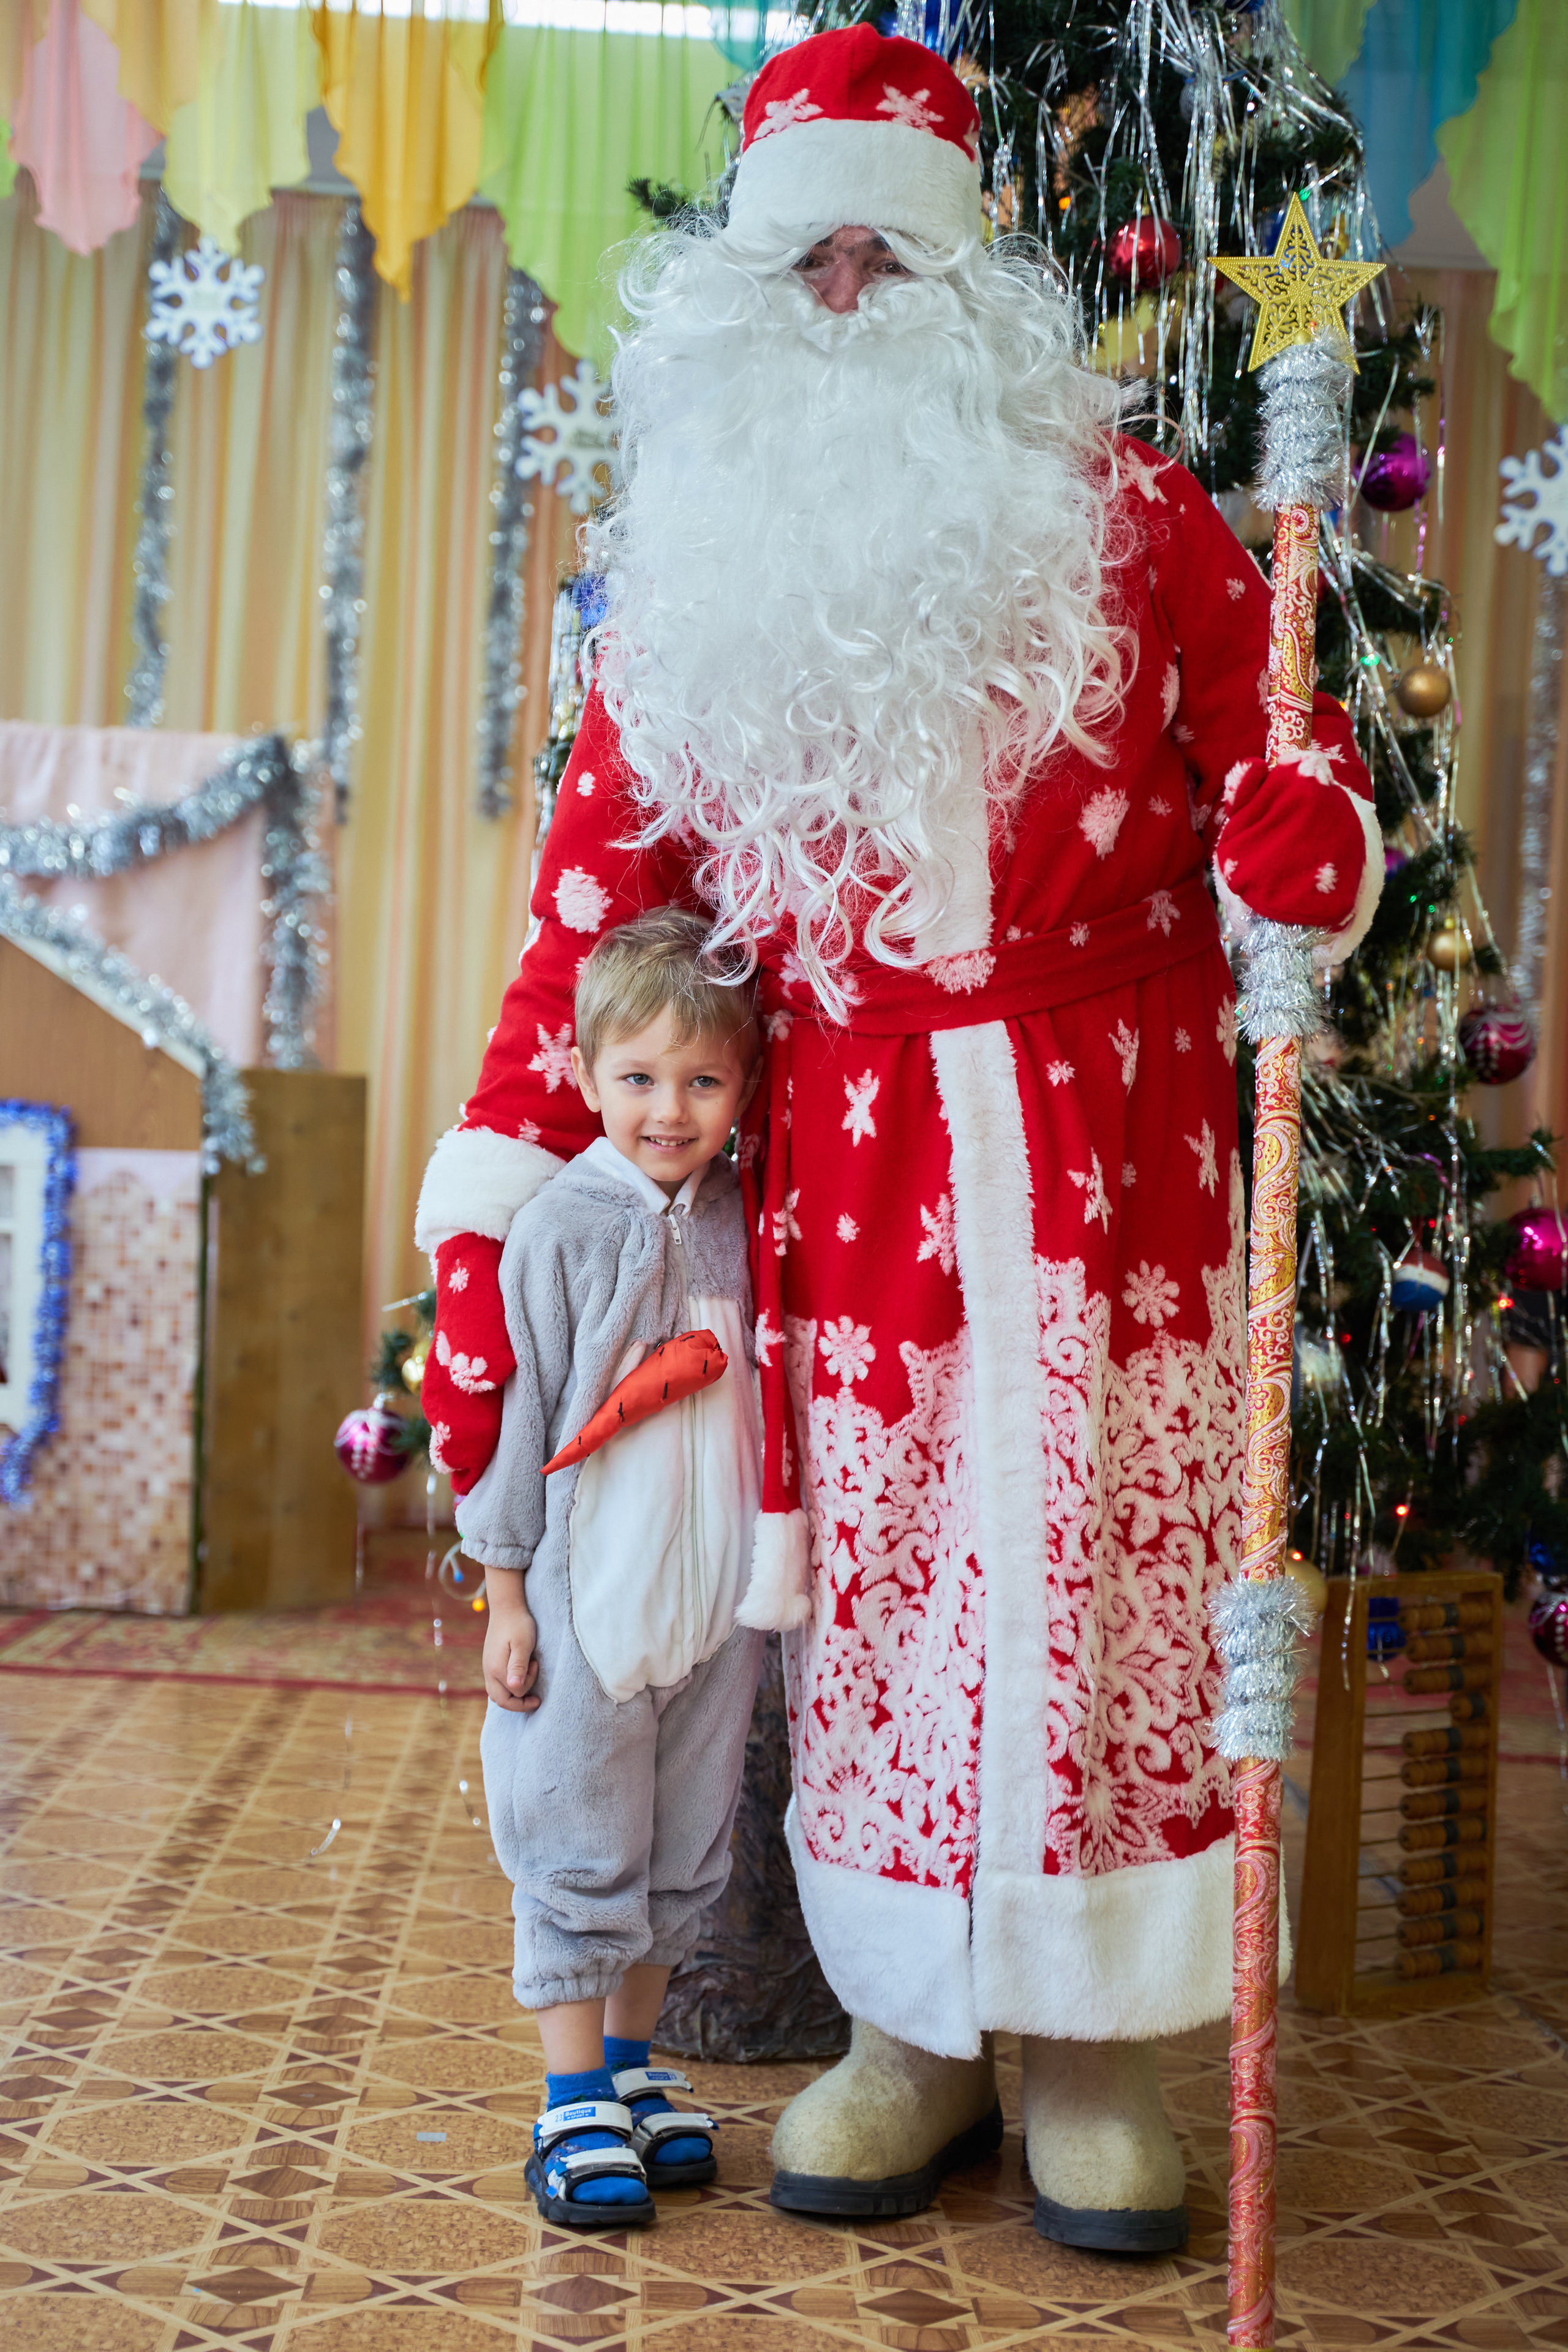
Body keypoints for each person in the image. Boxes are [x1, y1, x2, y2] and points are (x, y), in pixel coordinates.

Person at [418, 24, 1382, 2251]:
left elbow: (1285, 755)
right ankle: (912, 2034)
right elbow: (594, 932)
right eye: (809, 261)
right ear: (745, 298)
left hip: (1121, 1138)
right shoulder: (687, 590)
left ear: (972, 286)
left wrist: (1305, 836)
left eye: (890, 256)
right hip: (858, 1177)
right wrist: (498, 1201)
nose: (848, 294)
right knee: (883, 1602)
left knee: (1113, 1579)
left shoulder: (1135, 520)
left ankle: (1102, 2049)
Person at [456, 907, 780, 2228]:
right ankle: (570, 2095)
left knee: (681, 1851)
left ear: (741, 1089)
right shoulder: (560, 1229)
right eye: (639, 1078)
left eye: (702, 1082)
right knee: (576, 1839)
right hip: (586, 1600)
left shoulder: (744, 1219)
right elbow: (514, 1418)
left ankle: (634, 2069)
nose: (669, 1110)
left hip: (715, 1603)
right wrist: (507, 1592)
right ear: (588, 1076)